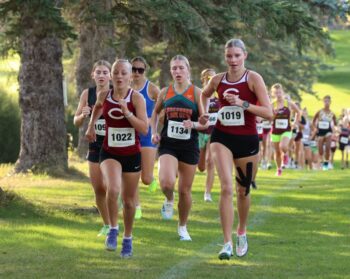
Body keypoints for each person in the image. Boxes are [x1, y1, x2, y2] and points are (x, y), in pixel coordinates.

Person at [200, 39, 273, 260]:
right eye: (229, 56)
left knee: (243, 190)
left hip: (248, 141)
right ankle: (227, 243)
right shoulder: (217, 80)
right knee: (226, 188)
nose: (232, 60)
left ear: (245, 56)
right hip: (221, 137)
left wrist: (242, 103)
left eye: (237, 56)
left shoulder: (253, 79)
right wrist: (204, 114)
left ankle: (241, 231)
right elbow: (203, 94)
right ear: (225, 57)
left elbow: (269, 113)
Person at [86, 59, 148, 258]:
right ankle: (113, 229)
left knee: (129, 202)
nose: (119, 76)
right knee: (112, 189)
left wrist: (127, 112)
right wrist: (90, 126)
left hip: (131, 154)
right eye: (116, 73)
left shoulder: (137, 98)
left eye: (124, 73)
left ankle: (127, 238)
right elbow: (96, 107)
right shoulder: (104, 95)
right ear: (112, 76)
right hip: (109, 152)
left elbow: (144, 128)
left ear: (131, 76)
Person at [151, 55, 207, 241]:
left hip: (189, 146)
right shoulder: (165, 92)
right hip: (169, 144)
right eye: (174, 68)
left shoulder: (197, 93)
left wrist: (195, 125)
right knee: (166, 183)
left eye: (181, 68)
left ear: (188, 70)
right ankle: (168, 199)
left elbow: (205, 123)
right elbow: (155, 114)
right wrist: (154, 132)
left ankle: (182, 227)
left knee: (184, 190)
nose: (177, 71)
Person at [73, 60, 111, 237]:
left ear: (110, 75)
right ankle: (107, 224)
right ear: (93, 75)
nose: (101, 75)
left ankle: (116, 222)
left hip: (115, 145)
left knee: (111, 187)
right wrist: (83, 115)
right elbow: (76, 121)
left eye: (105, 72)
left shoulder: (116, 92)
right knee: (98, 188)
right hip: (95, 144)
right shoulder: (87, 93)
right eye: (99, 72)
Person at [130, 56, 160, 219]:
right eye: (133, 69)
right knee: (132, 173)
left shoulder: (152, 89)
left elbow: (162, 108)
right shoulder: (125, 88)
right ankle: (137, 207)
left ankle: (152, 178)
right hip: (130, 135)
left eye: (140, 70)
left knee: (145, 179)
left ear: (144, 71)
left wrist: (151, 120)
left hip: (147, 135)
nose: (136, 73)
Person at [197, 68, 219, 202]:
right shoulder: (199, 94)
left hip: (214, 131)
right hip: (200, 131)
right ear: (203, 79)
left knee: (210, 161)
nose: (210, 79)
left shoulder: (219, 95)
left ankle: (207, 193)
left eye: (212, 77)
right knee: (201, 166)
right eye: (207, 77)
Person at [270, 84, 301, 176]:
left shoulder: (288, 103)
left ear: (282, 92)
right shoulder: (272, 104)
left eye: (279, 92)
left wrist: (295, 123)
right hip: (275, 131)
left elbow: (298, 112)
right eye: (276, 93)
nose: (278, 94)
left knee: (283, 146)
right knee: (277, 152)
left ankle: (286, 155)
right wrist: (273, 115)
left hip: (286, 129)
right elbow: (269, 118)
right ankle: (279, 169)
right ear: (273, 94)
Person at [312, 95, 337, 170]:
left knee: (328, 147)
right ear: (323, 102)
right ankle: (322, 161)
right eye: (325, 101)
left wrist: (335, 130)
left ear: (330, 102)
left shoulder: (332, 113)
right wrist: (315, 128)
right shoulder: (319, 112)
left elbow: (335, 123)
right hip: (320, 132)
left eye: (328, 101)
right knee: (320, 150)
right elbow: (313, 121)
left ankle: (326, 163)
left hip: (328, 132)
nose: (326, 103)